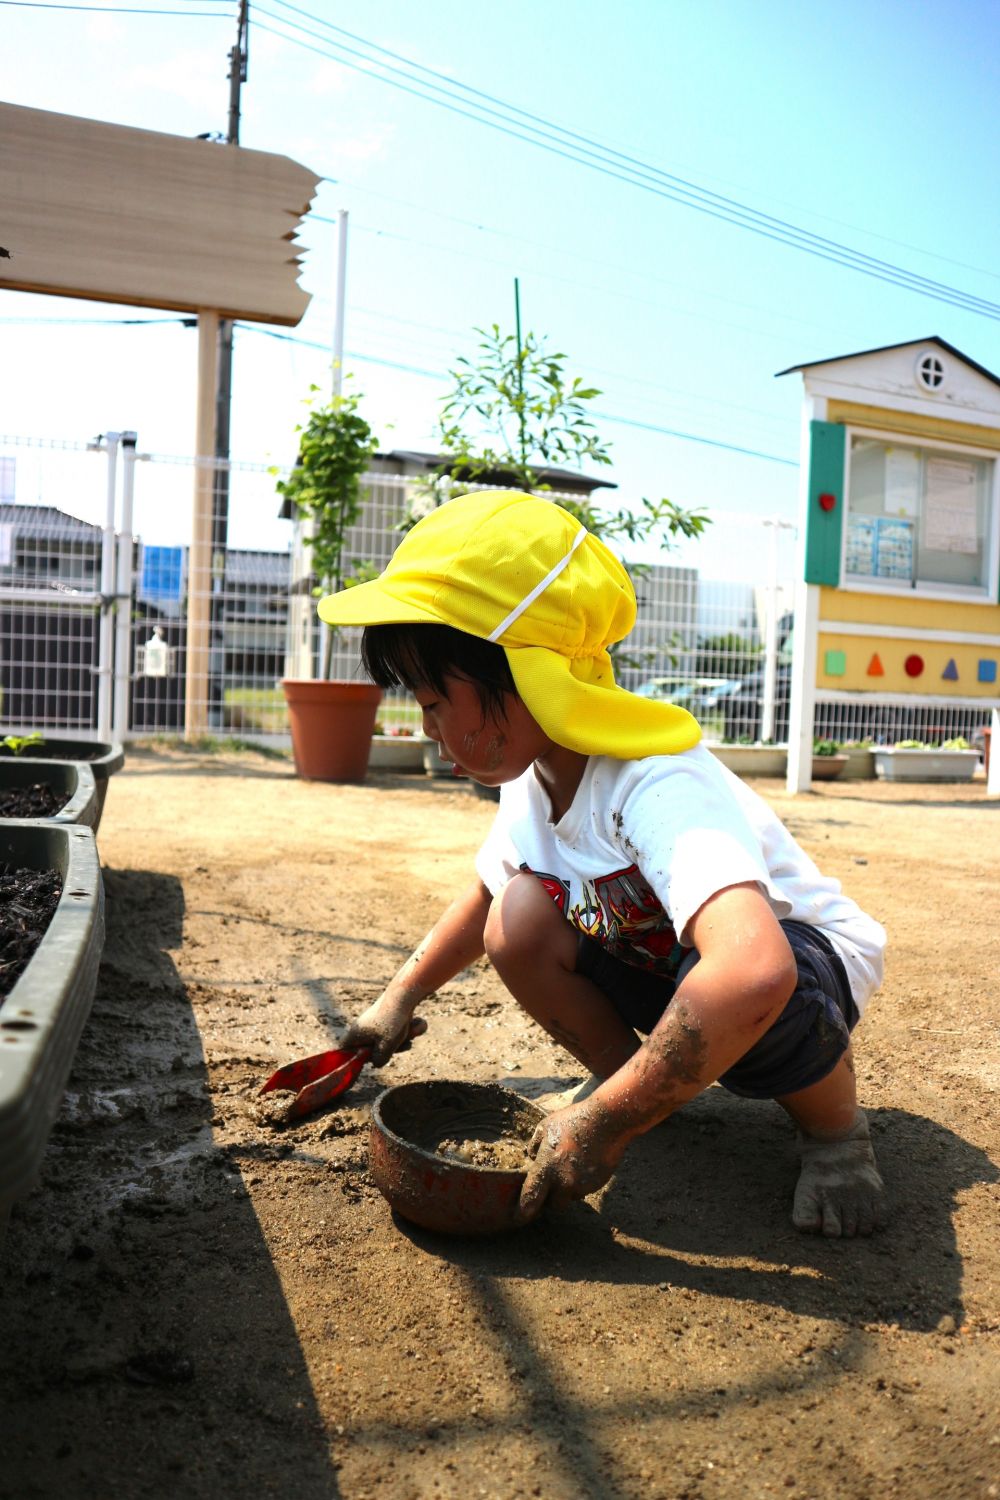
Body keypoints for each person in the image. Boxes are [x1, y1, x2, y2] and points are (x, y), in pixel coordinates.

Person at [319, 490, 887, 1238]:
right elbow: (486, 896)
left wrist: (603, 1125)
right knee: (517, 917)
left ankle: (836, 1134)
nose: (426, 727)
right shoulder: (531, 782)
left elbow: (755, 971)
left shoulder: (652, 780)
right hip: (676, 968)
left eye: (433, 702)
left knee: (744, 990)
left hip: (799, 966)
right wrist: (400, 997)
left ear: (521, 678)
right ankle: (638, 1085)